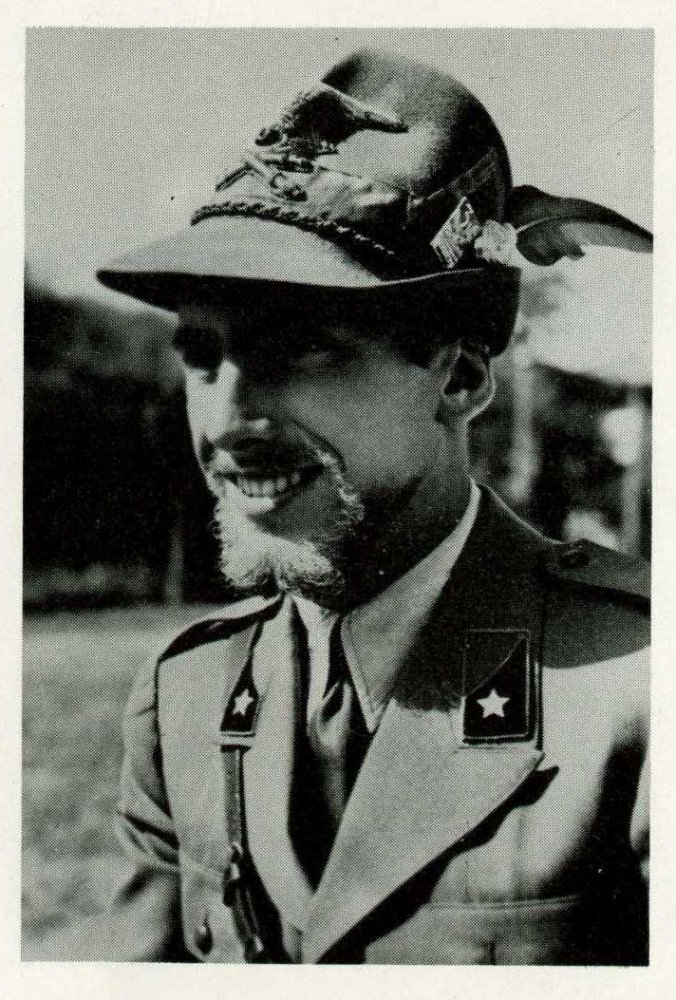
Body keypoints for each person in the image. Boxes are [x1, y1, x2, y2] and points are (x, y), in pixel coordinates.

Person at [62, 48, 651, 964]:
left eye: (301, 349)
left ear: (459, 380)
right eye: (204, 358)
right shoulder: (185, 696)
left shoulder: (634, 693)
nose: (229, 419)